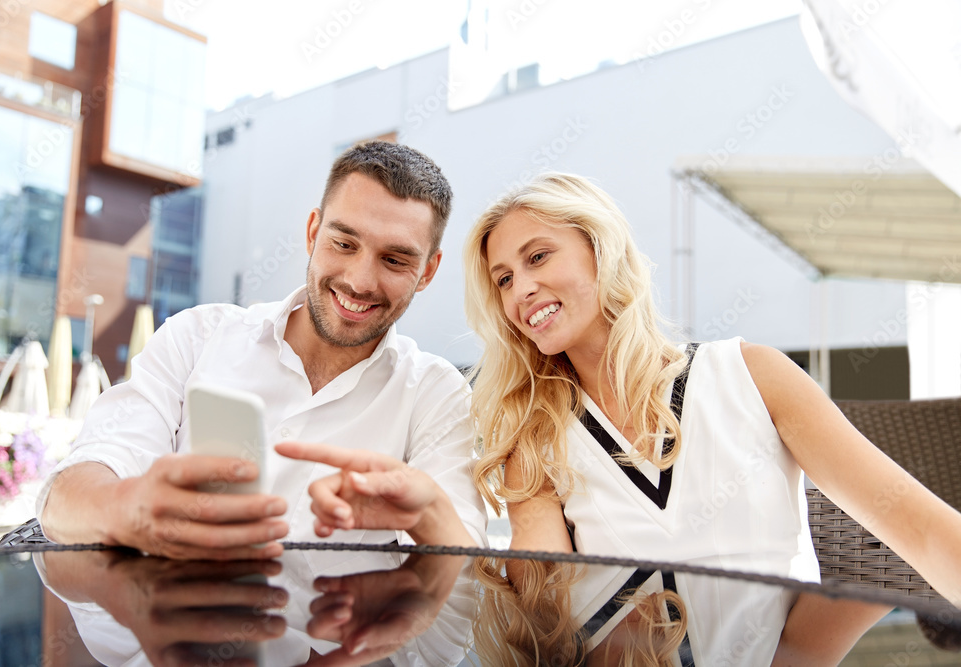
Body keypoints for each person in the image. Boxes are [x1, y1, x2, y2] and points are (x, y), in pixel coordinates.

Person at [307, 171, 961, 664]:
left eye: (537, 257)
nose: (520, 290)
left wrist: (801, 650)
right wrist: (425, 551)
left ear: (601, 249)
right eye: (502, 279)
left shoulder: (753, 375)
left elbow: (921, 535)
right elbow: (546, 616)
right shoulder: (533, 432)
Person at [37, 141, 487, 560]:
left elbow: (465, 569)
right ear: (313, 233)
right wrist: (129, 511)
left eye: (395, 260)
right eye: (344, 243)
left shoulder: (435, 394)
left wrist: (426, 517)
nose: (360, 280)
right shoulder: (196, 337)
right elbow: (69, 494)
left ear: (427, 272)